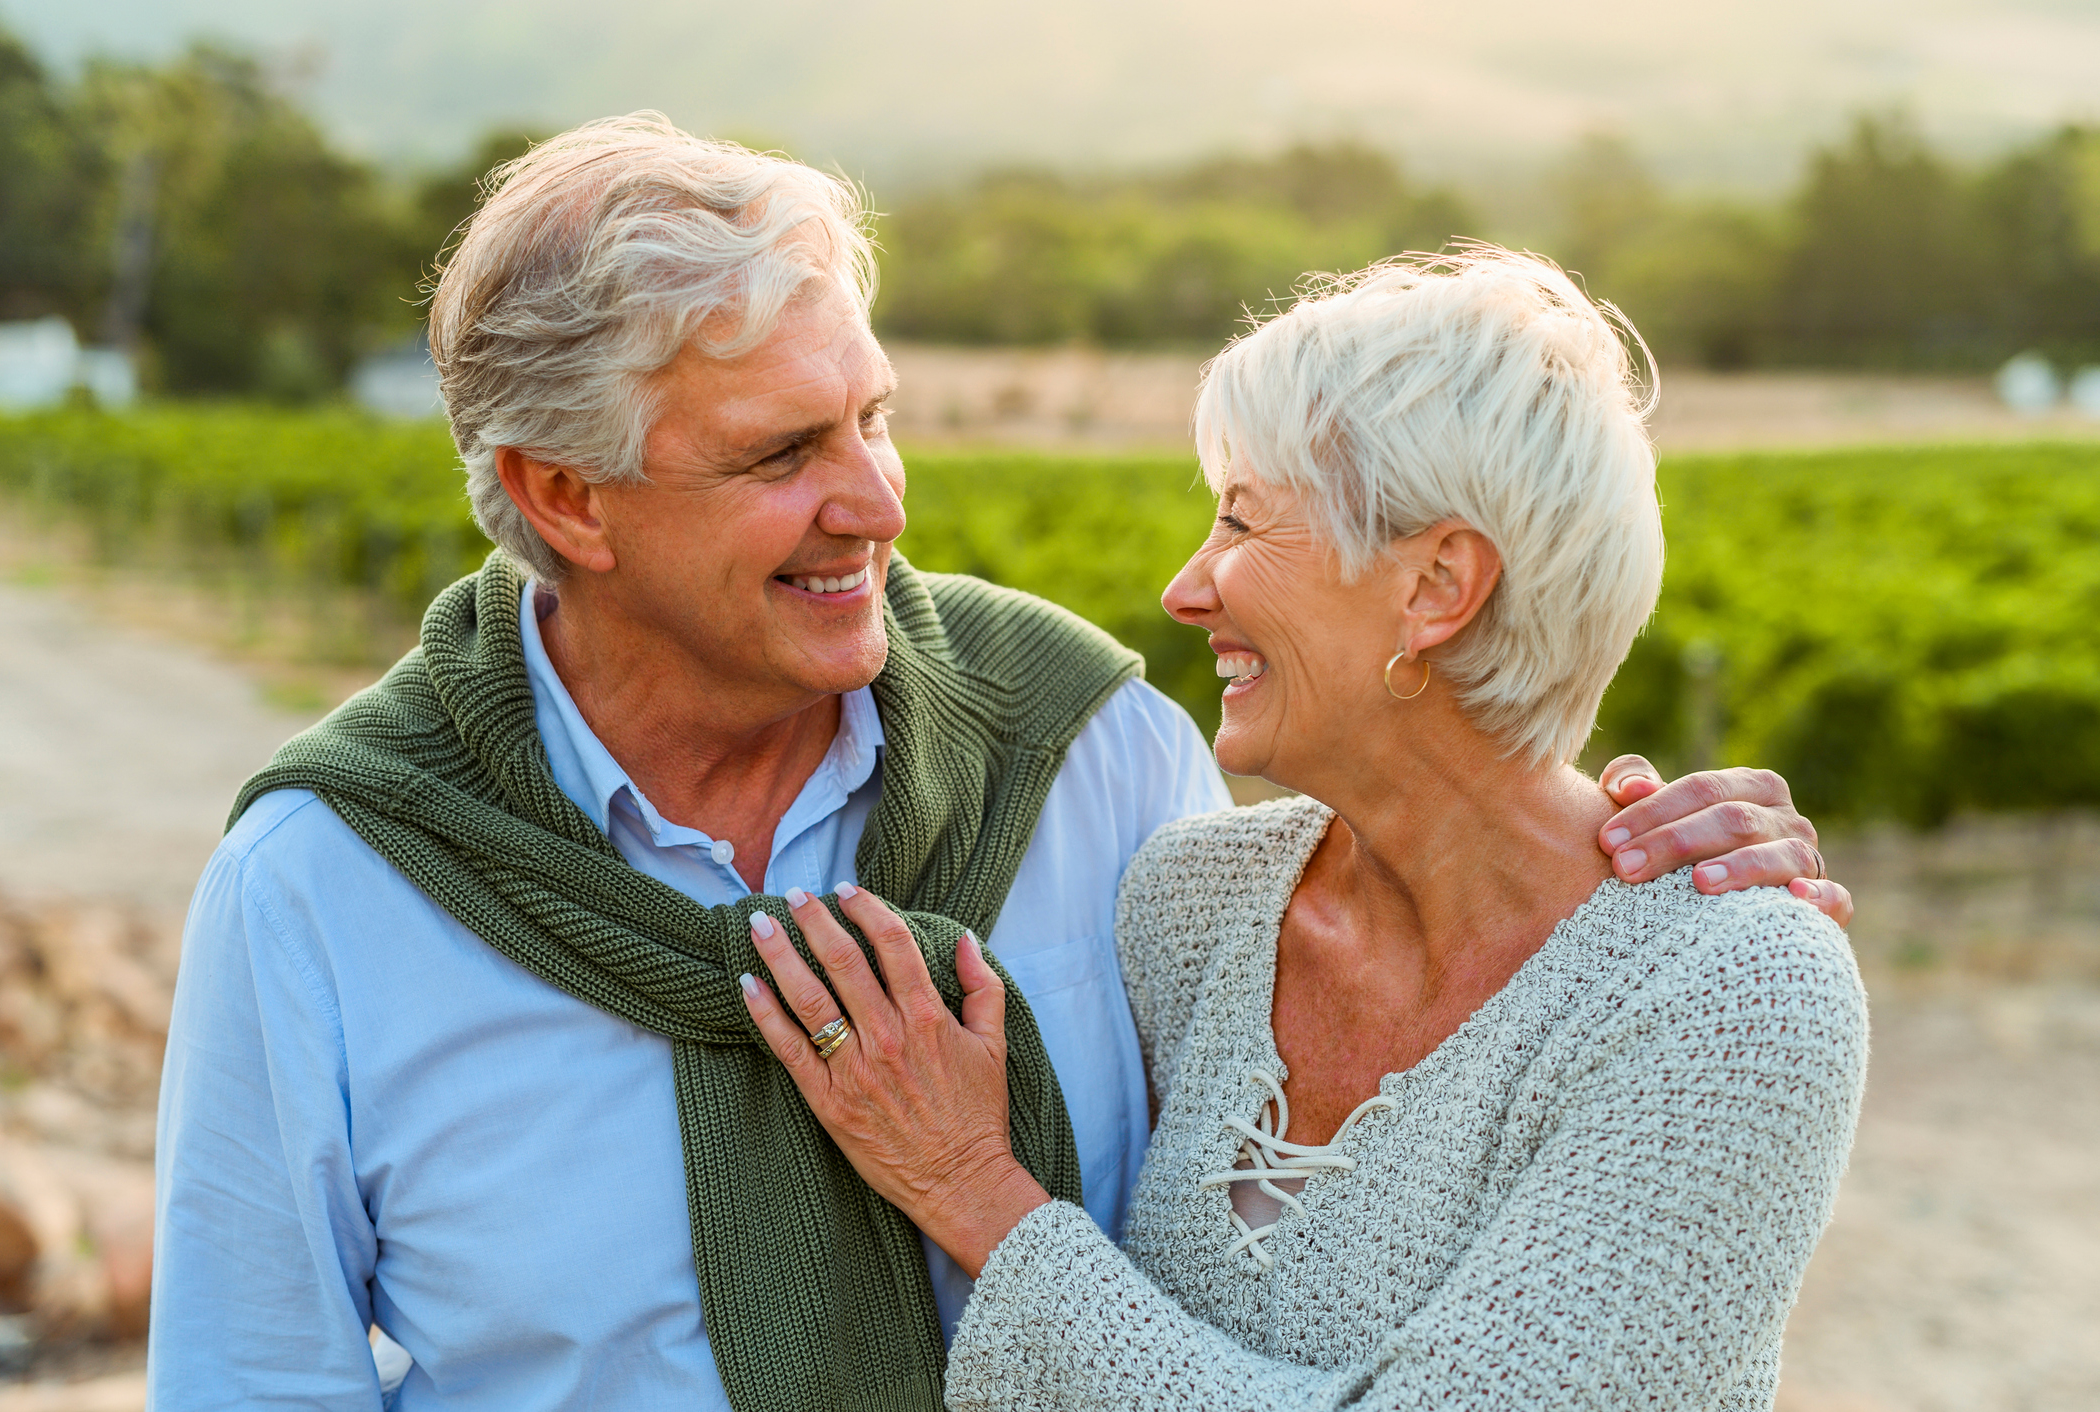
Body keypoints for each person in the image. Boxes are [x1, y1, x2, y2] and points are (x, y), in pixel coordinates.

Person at [151, 116, 1847, 1409]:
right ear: (563, 498)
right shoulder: (328, 884)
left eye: (873, 415)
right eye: (783, 451)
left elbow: (1465, 942)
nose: (879, 502)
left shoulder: (1098, 764)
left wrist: (1624, 840)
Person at [741, 248, 1868, 1411]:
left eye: (1241, 522)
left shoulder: (1732, 995)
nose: (1188, 587)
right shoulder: (1195, 898)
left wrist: (977, 1192)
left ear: (1436, 584)